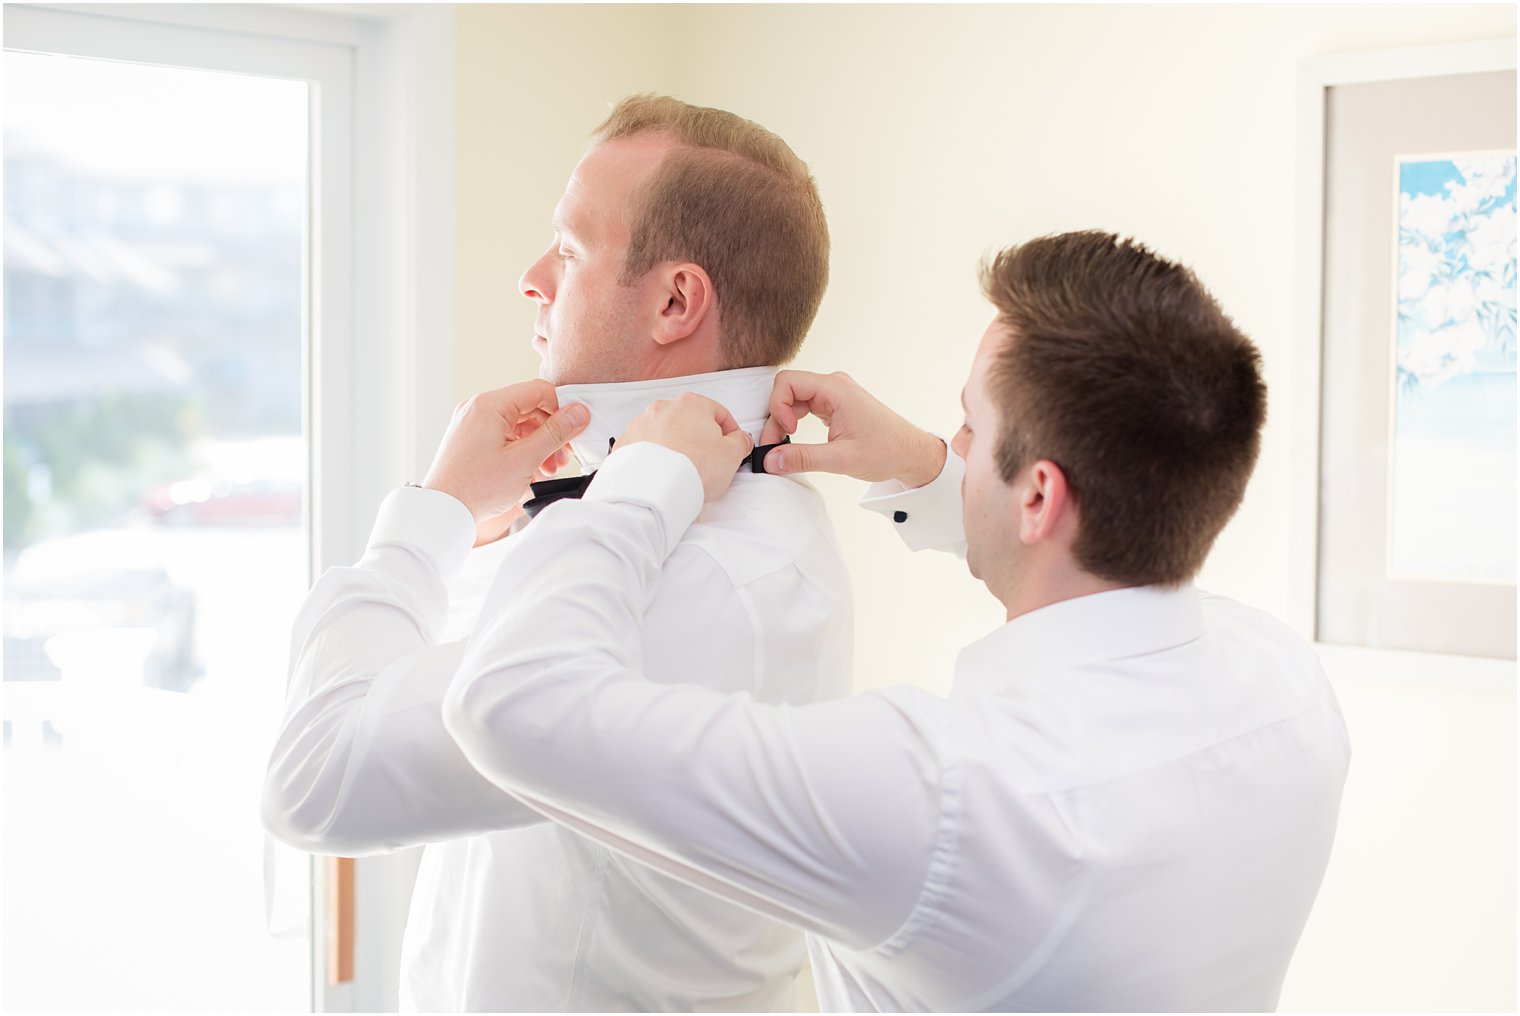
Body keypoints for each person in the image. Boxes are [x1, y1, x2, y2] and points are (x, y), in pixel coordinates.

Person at [437, 231, 1353, 1011]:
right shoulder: (1288, 685)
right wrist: (927, 466)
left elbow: (512, 707)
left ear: (1040, 493)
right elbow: (1079, 560)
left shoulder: (938, 797)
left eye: (967, 427)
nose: (952, 443)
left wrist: (636, 486)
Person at [261, 95, 853, 1011]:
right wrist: (483, 538)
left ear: (674, 301)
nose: (532, 278)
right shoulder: (611, 504)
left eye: (570, 251)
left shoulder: (705, 570)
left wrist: (434, 514)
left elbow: (318, 781)